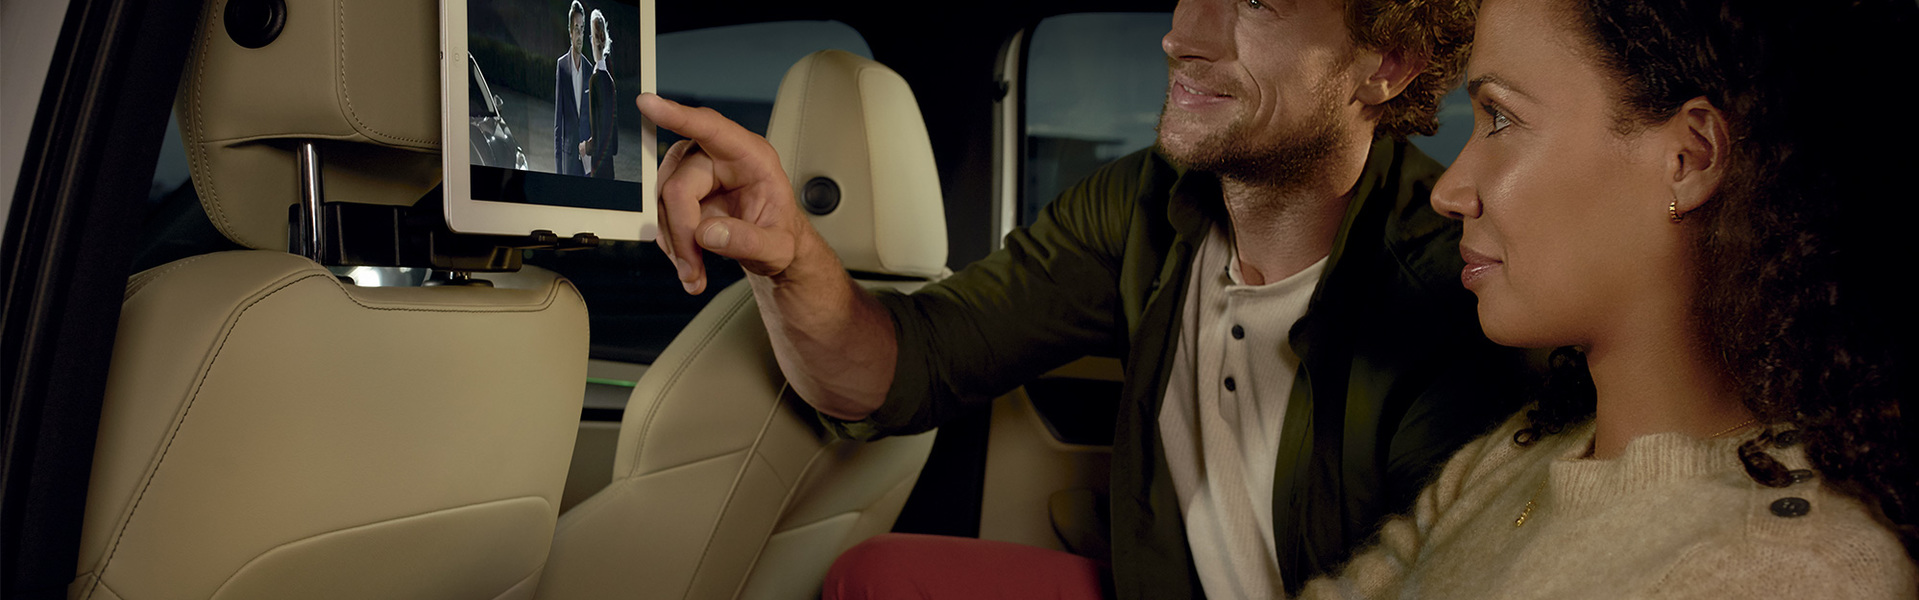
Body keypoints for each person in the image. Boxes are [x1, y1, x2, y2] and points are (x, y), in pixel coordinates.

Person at [635, 0, 1530, 595]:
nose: (1181, 35)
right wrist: (788, 256)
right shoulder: (1140, 202)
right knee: (876, 577)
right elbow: (902, 368)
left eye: (1255, 0)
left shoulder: (1448, 288)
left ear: (1387, 63)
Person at [1274, 0, 1916, 595]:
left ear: (1690, 158)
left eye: (1500, 117)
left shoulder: (1790, 571)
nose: (1450, 191)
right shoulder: (1508, 458)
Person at [552, 0, 590, 176]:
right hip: (568, 158)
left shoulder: (590, 70)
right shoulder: (562, 67)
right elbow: (558, 123)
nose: (580, 34)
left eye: (582, 29)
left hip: (587, 159)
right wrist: (558, 169)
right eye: (576, 28)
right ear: (570, 31)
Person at [579, 9, 617, 179]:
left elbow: (598, 133)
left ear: (594, 41)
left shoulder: (596, 80)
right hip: (608, 164)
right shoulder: (609, 80)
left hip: (598, 165)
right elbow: (612, 138)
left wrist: (585, 147)